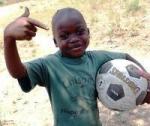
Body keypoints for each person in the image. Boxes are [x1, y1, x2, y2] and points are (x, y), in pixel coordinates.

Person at [4, 7, 150, 126]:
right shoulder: (48, 66)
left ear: (88, 32)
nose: (74, 39)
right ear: (55, 41)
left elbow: (125, 57)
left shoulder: (96, 58)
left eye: (80, 32)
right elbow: (19, 73)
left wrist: (145, 84)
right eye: (65, 36)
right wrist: (9, 38)